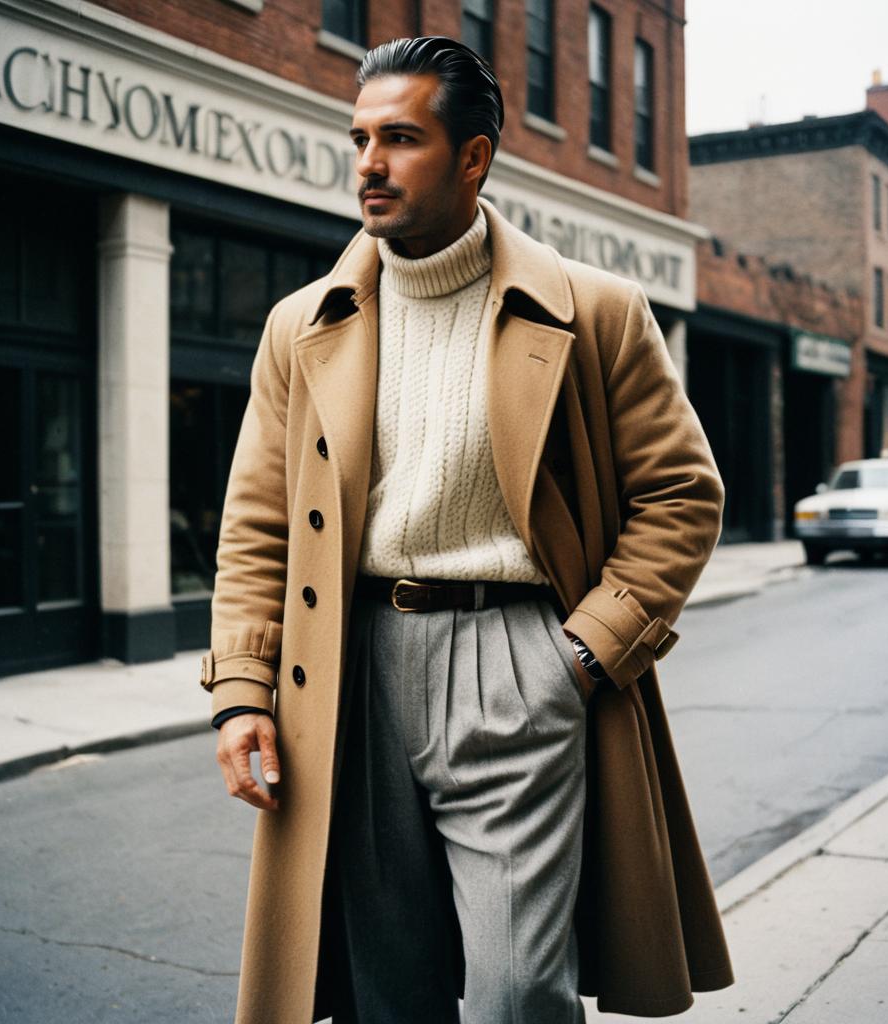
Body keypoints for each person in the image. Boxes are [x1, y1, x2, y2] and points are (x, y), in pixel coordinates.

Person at [202, 36, 734, 1024]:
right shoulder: (302, 324)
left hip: (519, 659)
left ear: (474, 157)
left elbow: (682, 494)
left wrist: (582, 652)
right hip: (350, 667)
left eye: (399, 138)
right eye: (358, 137)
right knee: (386, 986)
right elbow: (258, 524)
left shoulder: (594, 311)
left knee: (516, 991)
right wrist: (240, 693)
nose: (367, 162)